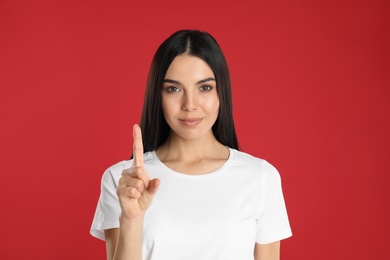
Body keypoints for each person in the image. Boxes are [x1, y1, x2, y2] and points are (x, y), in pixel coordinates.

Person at [90, 29, 292, 260]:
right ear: (158, 95)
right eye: (173, 89)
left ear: (221, 92)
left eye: (204, 87)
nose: (190, 104)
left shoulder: (260, 177)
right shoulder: (123, 180)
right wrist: (131, 219)